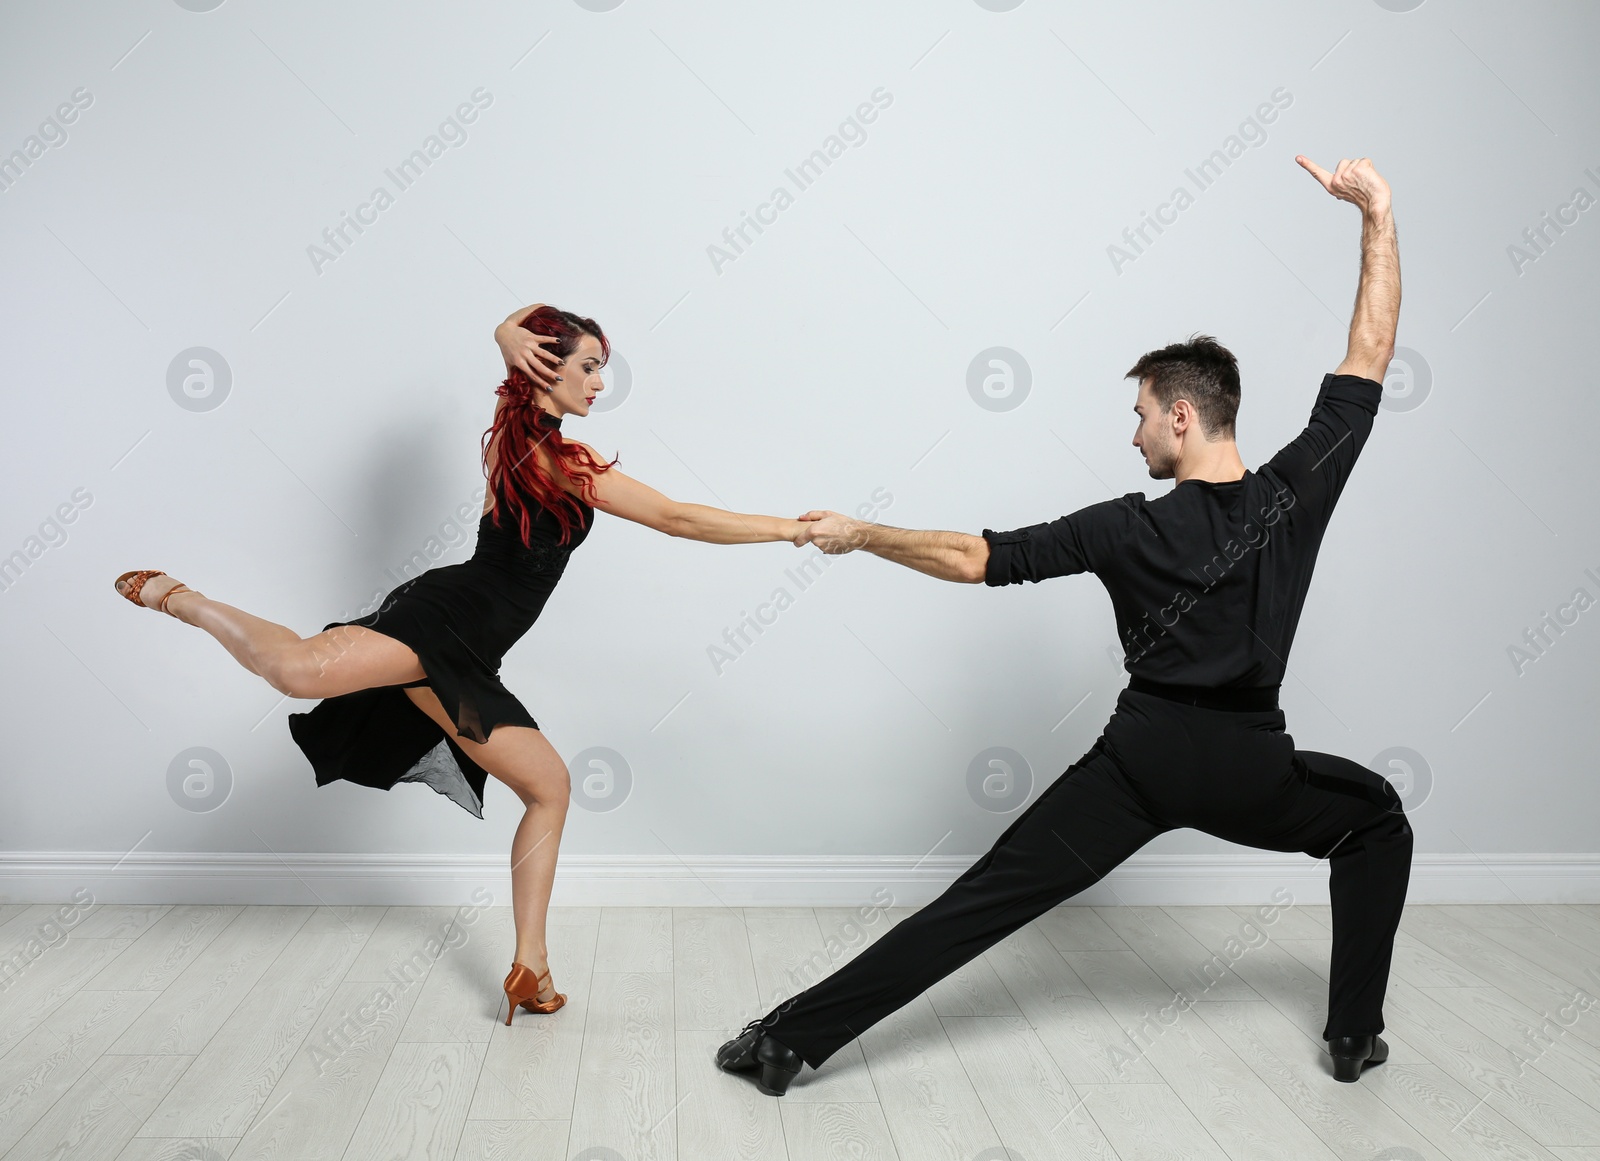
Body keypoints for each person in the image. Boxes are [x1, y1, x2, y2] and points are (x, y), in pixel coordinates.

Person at [716, 153, 1409, 1094]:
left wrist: (862, 532)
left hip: (1142, 760)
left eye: (1139, 419)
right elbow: (1369, 353)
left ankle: (787, 1040)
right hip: (1251, 764)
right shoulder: (1295, 494)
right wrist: (1376, 213)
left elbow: (976, 557)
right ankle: (1351, 1037)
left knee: (985, 899)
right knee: (1375, 824)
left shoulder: (1125, 524)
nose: (1132, 437)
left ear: (1180, 414)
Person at [114, 303, 811, 1023]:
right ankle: (182, 598)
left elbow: (516, 334)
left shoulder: (525, 437)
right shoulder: (557, 460)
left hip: (470, 653)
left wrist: (505, 334)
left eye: (602, 367)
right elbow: (677, 517)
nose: (601, 383)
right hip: (440, 619)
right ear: (549, 366)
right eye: (590, 366)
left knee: (548, 785)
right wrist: (791, 530)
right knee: (297, 672)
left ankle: (531, 966)